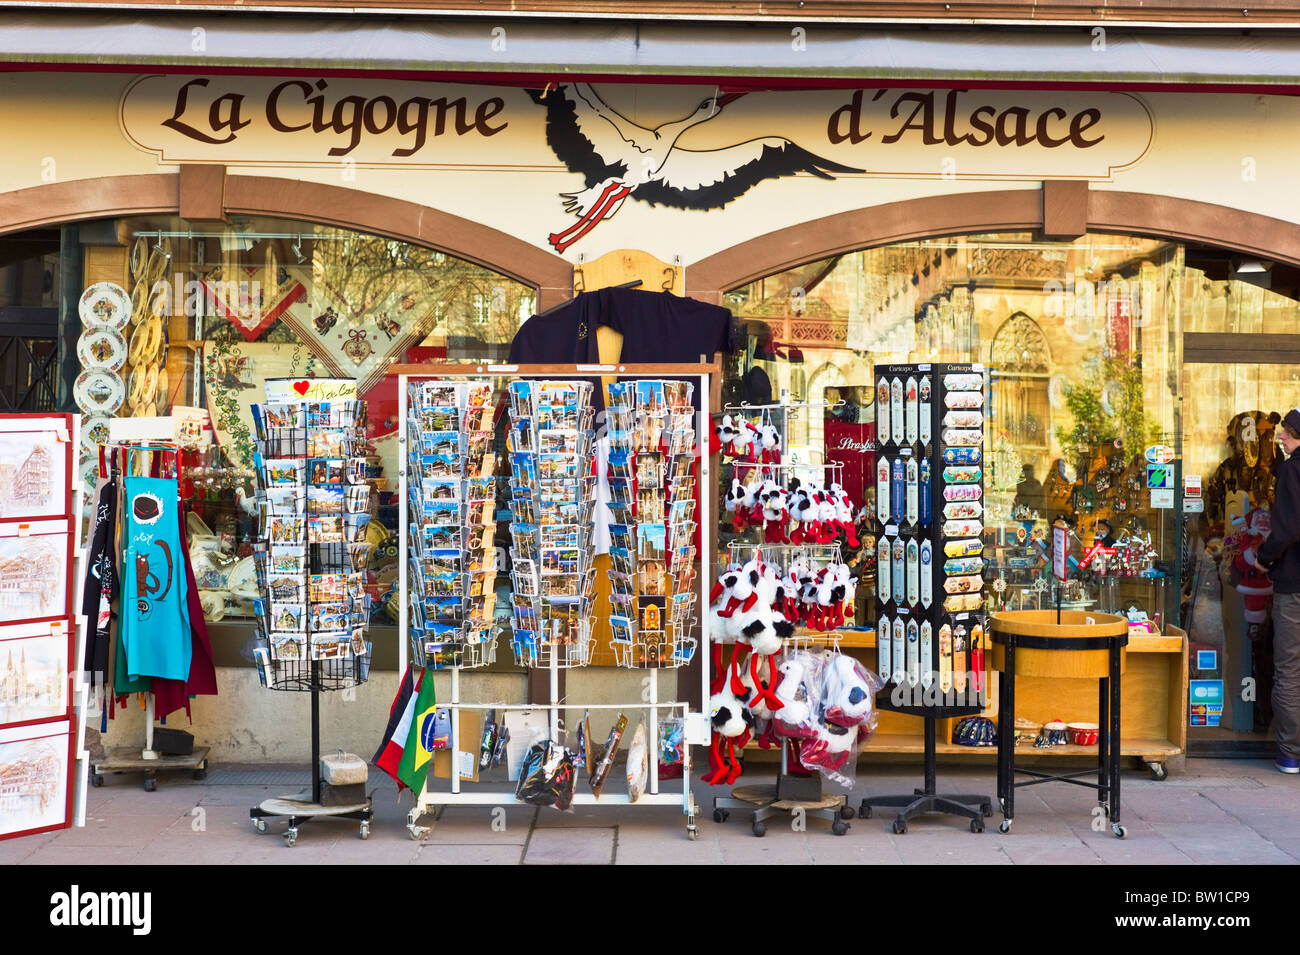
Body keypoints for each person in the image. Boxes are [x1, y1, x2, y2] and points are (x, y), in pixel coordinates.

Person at [1252, 408, 1300, 773]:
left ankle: (1291, 753)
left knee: (1289, 669)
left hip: (1295, 586)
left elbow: (1285, 529)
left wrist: (1263, 559)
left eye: (1287, 432)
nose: (1281, 437)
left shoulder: (1292, 471)